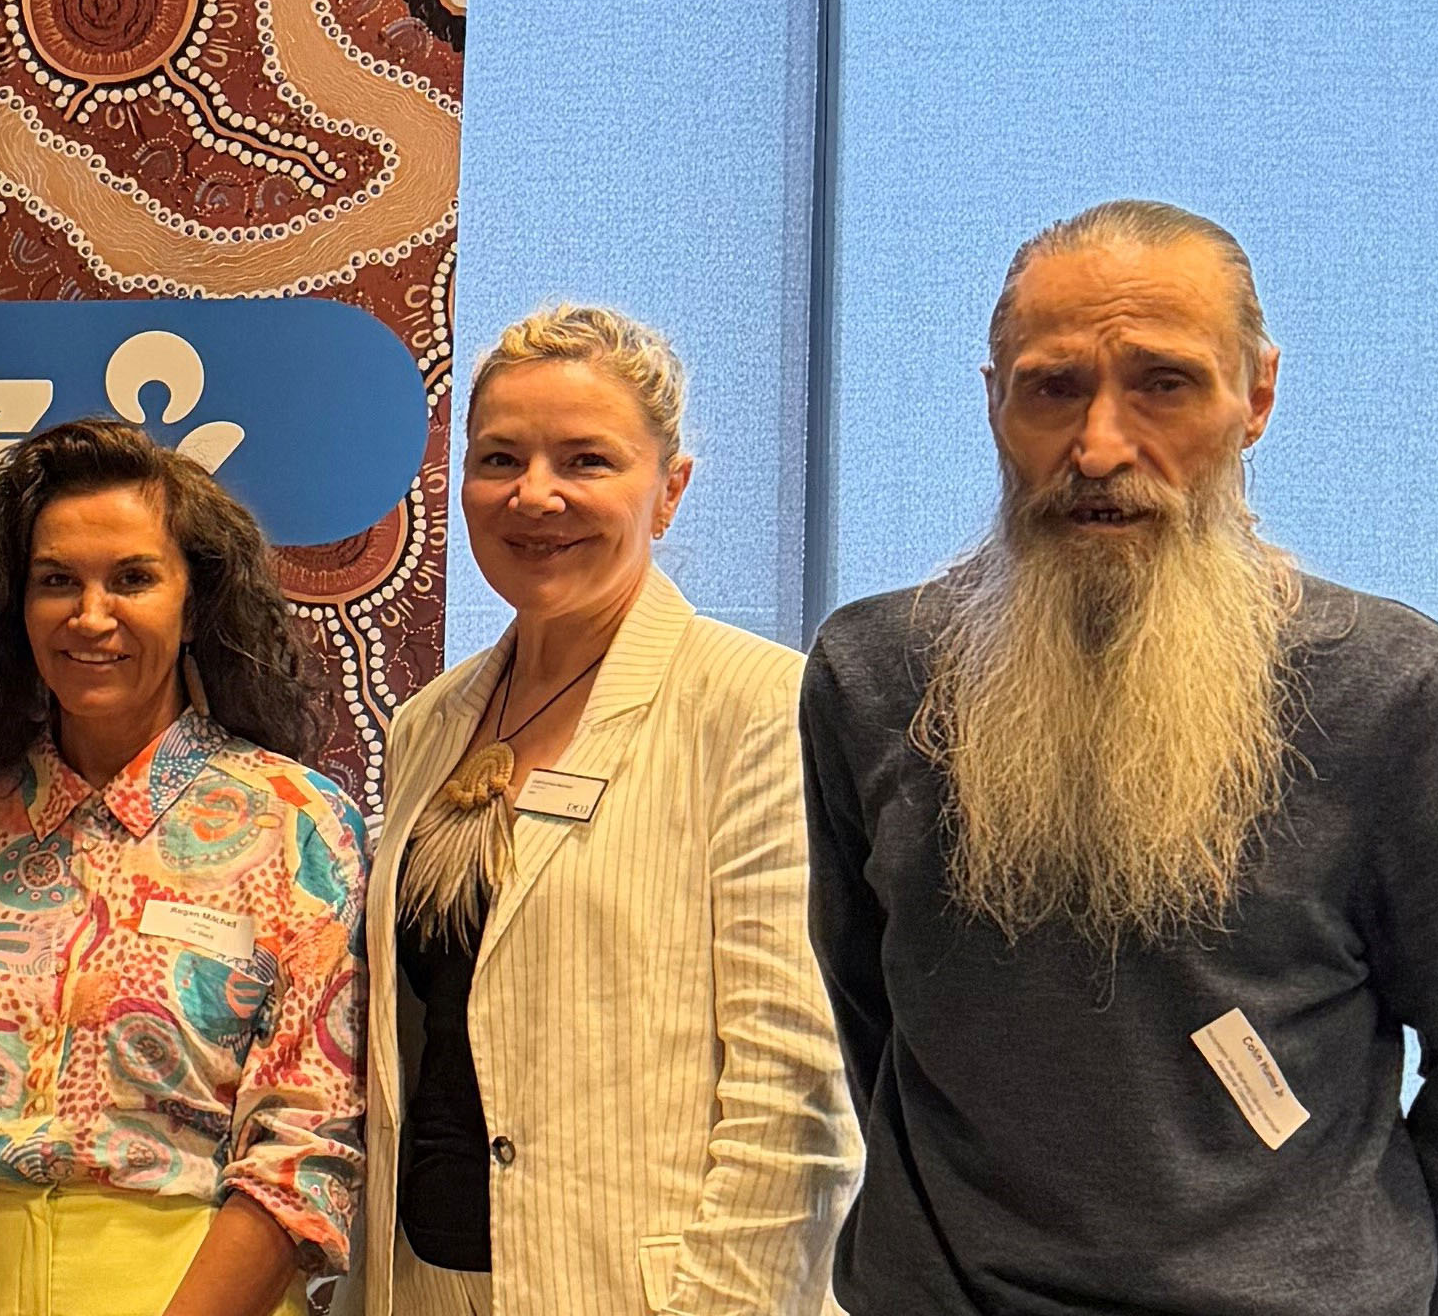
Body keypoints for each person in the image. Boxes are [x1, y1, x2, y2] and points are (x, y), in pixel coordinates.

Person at [806, 199, 1438, 1313]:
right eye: (1051, 387)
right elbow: (875, 1022)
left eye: (1162, 383)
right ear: (993, 399)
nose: (1097, 446)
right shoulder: (870, 678)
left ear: (1256, 396)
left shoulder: (1391, 691)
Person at [361, 306, 853, 1315]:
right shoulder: (425, 725)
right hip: (419, 1282)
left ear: (666, 491)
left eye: (584, 460)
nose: (533, 494)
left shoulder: (758, 706)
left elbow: (793, 1090)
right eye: (498, 458)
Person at [0, 418, 367, 1316]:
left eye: (134, 579)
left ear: (196, 603)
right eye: (55, 581)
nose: (90, 615)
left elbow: (308, 1141)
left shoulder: (298, 826)